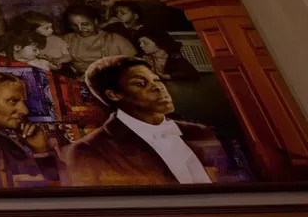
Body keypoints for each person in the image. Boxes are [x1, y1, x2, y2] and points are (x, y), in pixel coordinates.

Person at [60, 56, 236, 186]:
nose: (158, 87)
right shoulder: (90, 150)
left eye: (157, 80)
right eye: (140, 84)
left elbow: (231, 182)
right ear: (114, 95)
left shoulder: (199, 132)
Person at [62, 2, 136, 71]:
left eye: (85, 24)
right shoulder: (67, 39)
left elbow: (137, 64)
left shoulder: (116, 39)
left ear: (95, 21)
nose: (80, 29)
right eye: (74, 25)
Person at [0, 11, 73, 71]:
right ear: (31, 29)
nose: (52, 30)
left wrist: (55, 61)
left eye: (51, 27)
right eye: (46, 28)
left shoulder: (57, 40)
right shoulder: (18, 42)